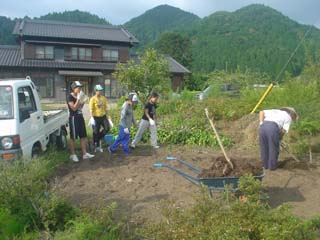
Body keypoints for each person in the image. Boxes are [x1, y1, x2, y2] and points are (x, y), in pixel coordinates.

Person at [67, 81, 95, 162]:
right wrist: (78, 99)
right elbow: (74, 108)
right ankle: (72, 154)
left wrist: (83, 101)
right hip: (73, 118)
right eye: (78, 88)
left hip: (80, 117)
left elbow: (79, 108)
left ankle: (84, 154)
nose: (80, 89)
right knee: (73, 137)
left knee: (83, 136)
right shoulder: (70, 97)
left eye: (80, 88)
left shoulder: (78, 96)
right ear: (73, 88)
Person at [89, 84, 111, 153]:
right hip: (95, 117)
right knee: (95, 131)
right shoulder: (92, 99)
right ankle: (97, 145)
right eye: (98, 90)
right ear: (95, 91)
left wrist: (108, 116)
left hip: (103, 116)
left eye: (101, 90)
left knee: (107, 128)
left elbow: (106, 108)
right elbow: (91, 109)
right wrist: (92, 118)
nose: (100, 92)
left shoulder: (103, 98)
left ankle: (98, 138)